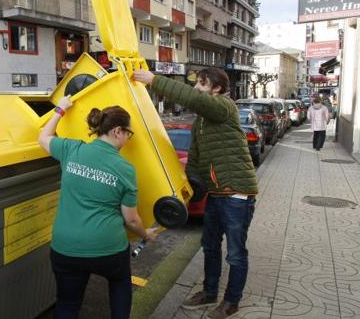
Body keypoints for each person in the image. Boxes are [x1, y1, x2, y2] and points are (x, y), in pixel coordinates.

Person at [133, 68, 258, 319]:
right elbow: (196, 158)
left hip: (236, 193)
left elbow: (195, 99)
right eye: (197, 82)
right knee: (209, 246)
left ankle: (231, 302)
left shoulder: (224, 106)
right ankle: (209, 292)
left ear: (217, 89)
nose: (198, 87)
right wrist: (189, 185)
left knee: (235, 253)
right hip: (216, 192)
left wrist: (155, 81)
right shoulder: (201, 122)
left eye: (203, 83)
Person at [38, 96, 158, 319]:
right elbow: (131, 219)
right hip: (107, 249)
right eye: (128, 134)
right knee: (120, 283)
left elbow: (43, 137)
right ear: (117, 131)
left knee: (67, 304)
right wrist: (146, 234)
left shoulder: (71, 149)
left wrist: (60, 110)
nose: (128, 139)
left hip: (66, 248)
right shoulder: (125, 168)